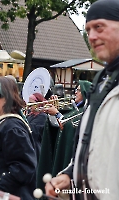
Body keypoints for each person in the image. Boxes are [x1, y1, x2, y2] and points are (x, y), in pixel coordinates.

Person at [45, 1, 119, 199]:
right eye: (88, 30)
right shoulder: (101, 82)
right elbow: (91, 146)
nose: (92, 37)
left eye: (99, 27)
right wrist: (71, 175)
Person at [37, 80, 91, 191]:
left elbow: (71, 125)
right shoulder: (73, 110)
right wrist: (53, 112)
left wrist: (57, 113)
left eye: (79, 90)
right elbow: (58, 126)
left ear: (85, 93)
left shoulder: (84, 112)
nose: (76, 92)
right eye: (75, 89)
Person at [26, 93, 48, 162]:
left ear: (38, 103)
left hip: (36, 147)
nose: (29, 106)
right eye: (29, 103)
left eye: (31, 103)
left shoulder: (42, 116)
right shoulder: (30, 115)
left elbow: (33, 131)